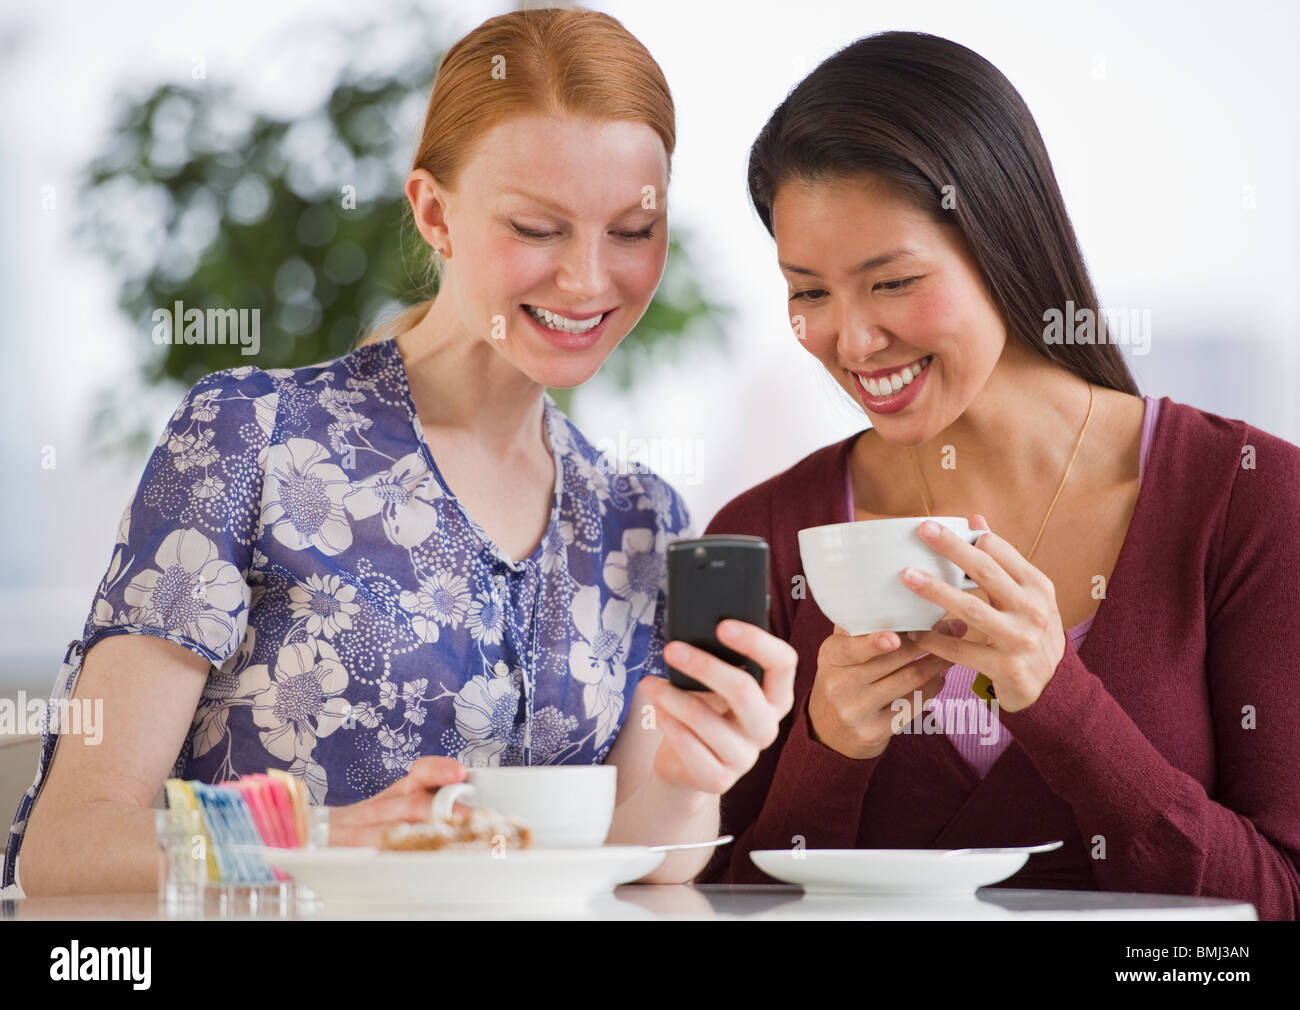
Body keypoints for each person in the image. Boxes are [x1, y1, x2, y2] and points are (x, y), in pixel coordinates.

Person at [4, 7, 796, 898]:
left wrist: (695, 783)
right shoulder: (251, 437)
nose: (587, 277)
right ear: (434, 211)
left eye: (630, 231)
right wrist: (326, 838)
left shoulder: (637, 520)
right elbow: (67, 844)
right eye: (536, 229)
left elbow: (641, 855)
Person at [697, 31, 1300, 920]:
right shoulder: (766, 533)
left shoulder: (1249, 499)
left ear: (1005, 243)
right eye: (810, 292)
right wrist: (826, 751)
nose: (855, 343)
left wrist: (1059, 705)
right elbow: (719, 908)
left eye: (893, 282)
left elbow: (1275, 908)